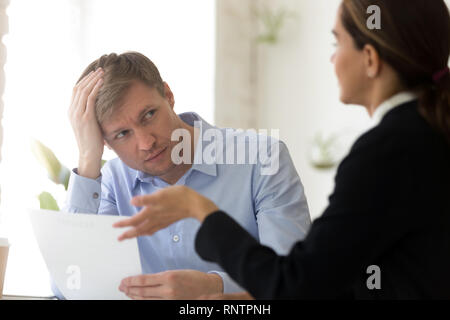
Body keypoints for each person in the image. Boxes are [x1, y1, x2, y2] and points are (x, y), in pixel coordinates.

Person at [114, 0, 450, 299]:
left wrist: (201, 210)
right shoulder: (428, 135)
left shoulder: (386, 153)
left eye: (337, 42)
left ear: (371, 59)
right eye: (121, 133)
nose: (332, 58)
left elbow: (295, 285)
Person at [60, 52, 311, 299]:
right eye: (123, 134)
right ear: (106, 143)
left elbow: (292, 280)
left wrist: (215, 286)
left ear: (168, 96)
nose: (146, 143)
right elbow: (69, 286)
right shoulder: (112, 182)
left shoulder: (261, 158)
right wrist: (87, 158)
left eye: (149, 115)